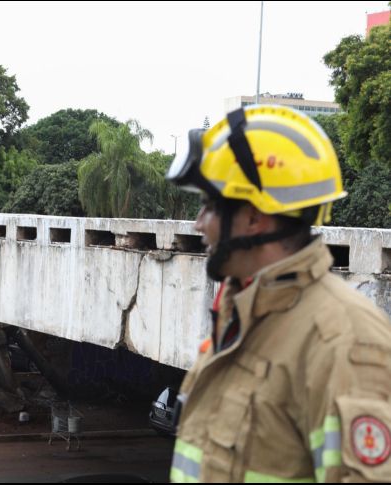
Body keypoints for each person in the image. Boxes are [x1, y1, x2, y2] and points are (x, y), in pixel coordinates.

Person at [165, 105, 391, 482]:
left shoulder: (343, 340)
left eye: (209, 206)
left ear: (254, 218)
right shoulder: (244, 314)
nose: (198, 223)